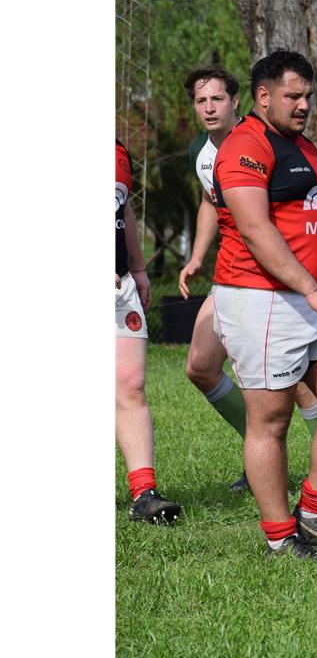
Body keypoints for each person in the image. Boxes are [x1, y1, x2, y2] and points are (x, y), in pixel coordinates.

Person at [211, 50, 317, 557]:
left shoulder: (305, 147)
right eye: (293, 96)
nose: (304, 104)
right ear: (263, 96)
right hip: (260, 300)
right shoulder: (244, 146)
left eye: (308, 95)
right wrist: (312, 289)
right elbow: (256, 232)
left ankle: (315, 511)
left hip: (315, 297)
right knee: (272, 419)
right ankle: (281, 538)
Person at [177, 63, 317, 493]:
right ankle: (262, 456)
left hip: (263, 275)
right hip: (240, 273)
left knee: (290, 375)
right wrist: (195, 255)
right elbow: (211, 201)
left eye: (217, 99)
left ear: (239, 101)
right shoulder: (202, 151)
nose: (209, 108)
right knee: (200, 366)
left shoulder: (256, 141)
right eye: (200, 101)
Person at [116, 139, 182, 525]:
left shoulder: (118, 151)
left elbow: (123, 211)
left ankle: (144, 495)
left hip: (119, 285)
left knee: (132, 383)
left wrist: (138, 269)